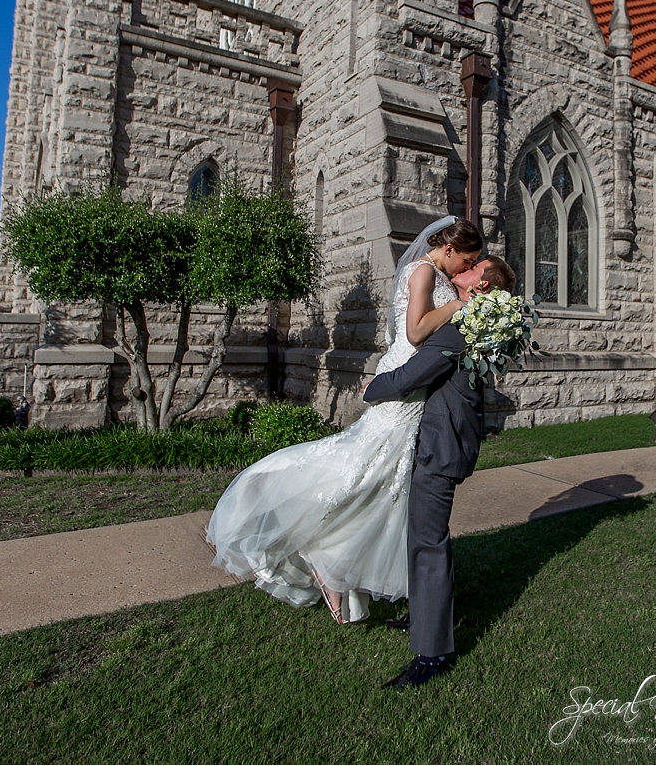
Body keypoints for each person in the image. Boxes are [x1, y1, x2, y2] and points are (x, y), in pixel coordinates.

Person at [207, 215, 482, 623]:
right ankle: (322, 552)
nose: (467, 268)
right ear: (448, 249)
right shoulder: (423, 271)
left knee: (383, 484)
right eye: (467, 259)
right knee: (362, 473)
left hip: (417, 388)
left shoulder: (437, 272)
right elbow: (416, 332)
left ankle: (343, 566)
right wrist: (458, 307)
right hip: (404, 385)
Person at [363, 255, 516, 689]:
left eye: (471, 270)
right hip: (439, 437)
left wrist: (371, 388)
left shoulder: (463, 327)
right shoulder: (478, 324)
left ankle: (432, 654)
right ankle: (421, 610)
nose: (459, 272)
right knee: (420, 533)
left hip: (441, 444)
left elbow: (416, 372)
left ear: (481, 287)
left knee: (428, 541)